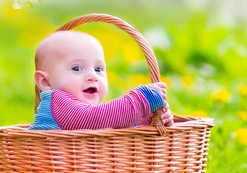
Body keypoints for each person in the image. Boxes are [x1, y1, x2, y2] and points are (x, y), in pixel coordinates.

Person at [29, 30, 173, 130]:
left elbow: (113, 123)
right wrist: (143, 99)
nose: (93, 76)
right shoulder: (57, 102)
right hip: (53, 171)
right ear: (45, 82)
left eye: (98, 69)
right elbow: (98, 118)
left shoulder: (86, 113)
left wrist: (147, 119)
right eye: (77, 68)